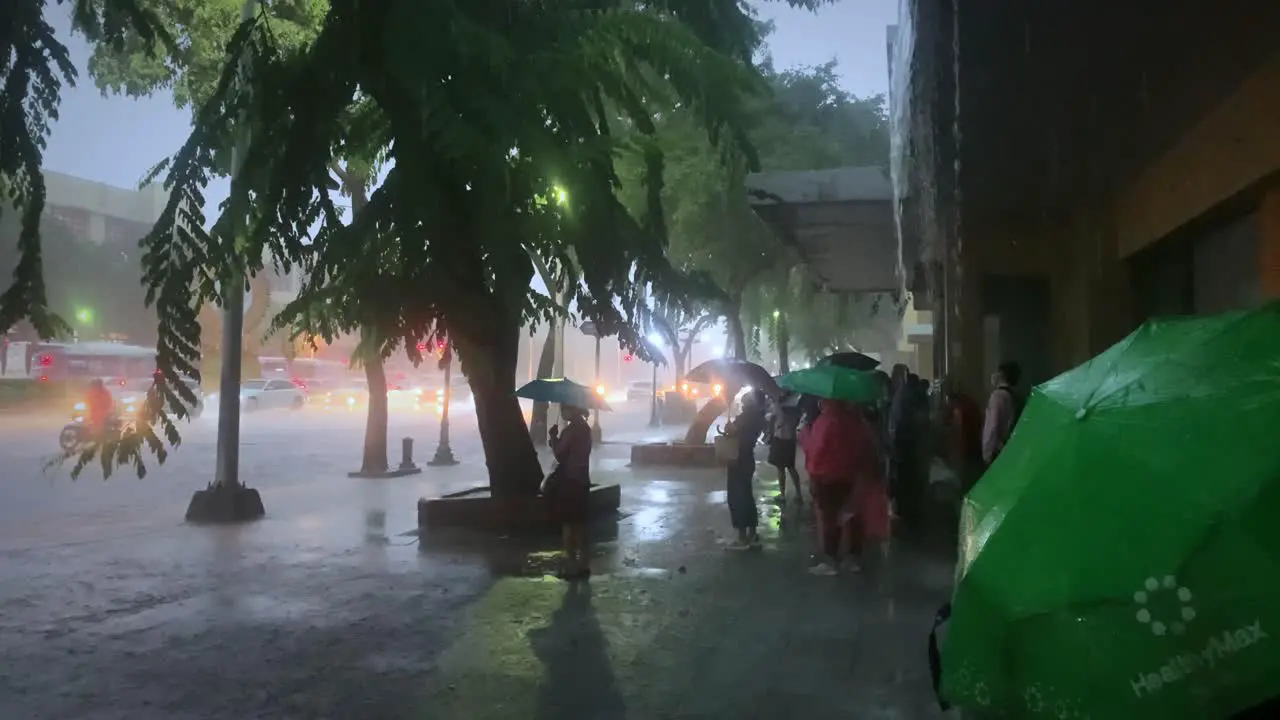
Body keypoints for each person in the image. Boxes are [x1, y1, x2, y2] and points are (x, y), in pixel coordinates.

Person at [800, 398, 880, 575]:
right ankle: (853, 558)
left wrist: (805, 437)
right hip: (852, 475)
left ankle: (830, 560)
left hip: (828, 477)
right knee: (852, 516)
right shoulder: (857, 421)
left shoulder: (824, 421)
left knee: (830, 519)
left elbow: (816, 452)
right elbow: (867, 448)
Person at [548, 405, 593, 579]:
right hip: (582, 479)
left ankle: (572, 566)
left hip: (569, 481)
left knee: (568, 525)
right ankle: (584, 564)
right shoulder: (586, 429)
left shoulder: (571, 430)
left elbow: (559, 454)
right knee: (581, 524)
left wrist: (553, 437)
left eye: (563, 409)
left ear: (571, 410)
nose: (561, 413)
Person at [724, 389, 766, 550]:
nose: (742, 403)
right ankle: (752, 533)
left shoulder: (747, 419)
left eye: (746, 400)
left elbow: (736, 436)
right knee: (746, 496)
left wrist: (730, 429)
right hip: (746, 459)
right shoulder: (756, 418)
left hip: (738, 459)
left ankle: (742, 537)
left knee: (738, 497)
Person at [981, 361, 1024, 466]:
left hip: (997, 451)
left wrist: (987, 452)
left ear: (1001, 375)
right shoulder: (1014, 396)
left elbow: (992, 426)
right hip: (1010, 447)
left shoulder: (997, 396)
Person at [766, 393, 803, 506]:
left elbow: (771, 417)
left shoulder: (778, 406)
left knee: (780, 468)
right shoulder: (796, 407)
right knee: (791, 467)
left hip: (780, 439)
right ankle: (798, 493)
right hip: (791, 439)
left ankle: (782, 494)